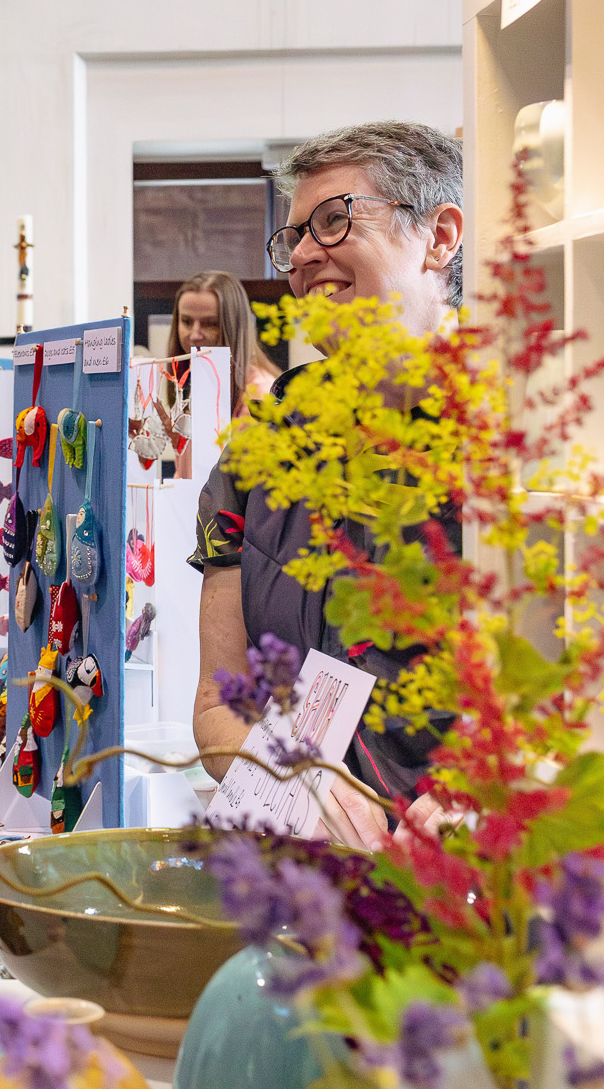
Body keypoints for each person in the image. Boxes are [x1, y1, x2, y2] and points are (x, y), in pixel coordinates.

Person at [189, 120, 463, 850]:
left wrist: (475, 795)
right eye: (293, 237)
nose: (305, 255)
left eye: (335, 220)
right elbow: (218, 707)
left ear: (440, 237)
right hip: (297, 880)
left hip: (464, 892)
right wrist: (291, 777)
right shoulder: (261, 441)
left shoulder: (514, 446)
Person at [162, 268, 277, 411]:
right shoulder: (194, 379)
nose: (194, 335)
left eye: (210, 324)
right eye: (186, 321)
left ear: (234, 327)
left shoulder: (260, 395)